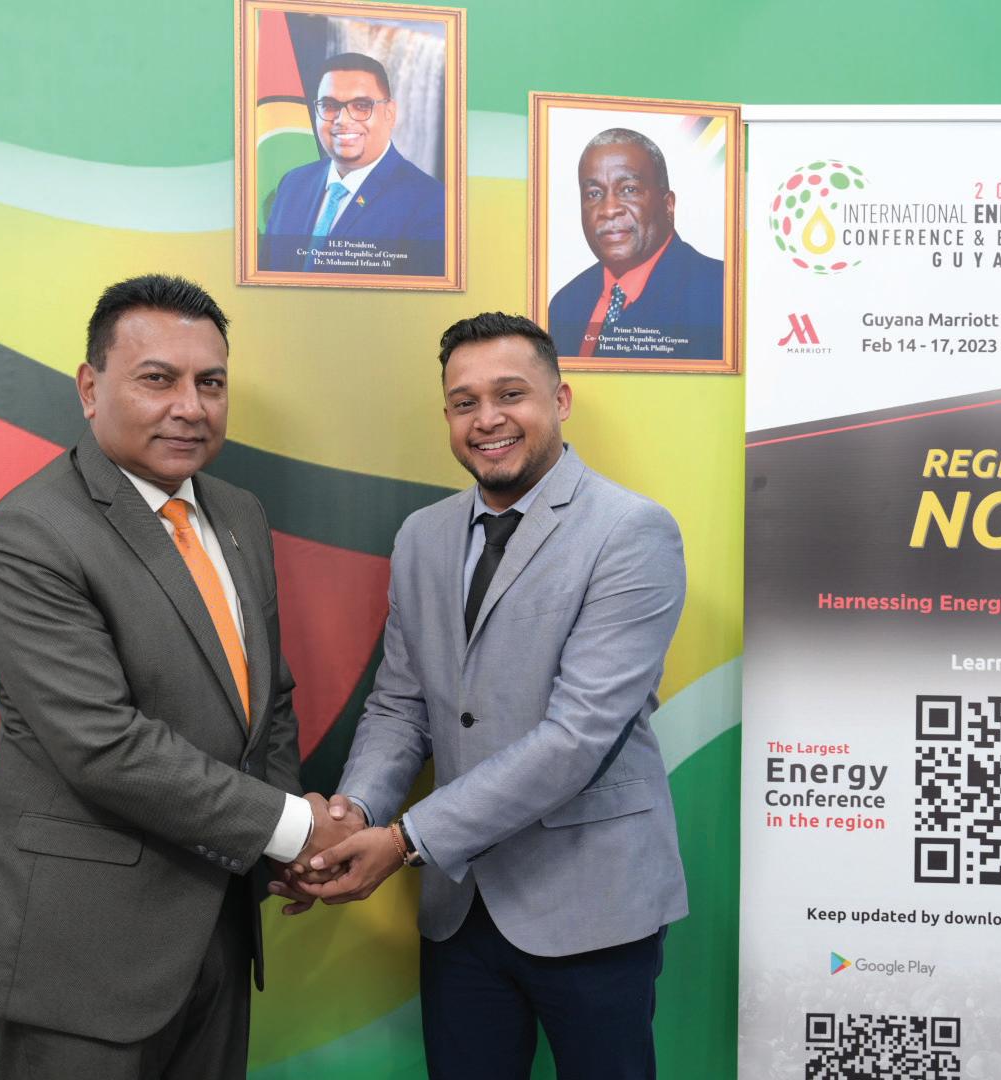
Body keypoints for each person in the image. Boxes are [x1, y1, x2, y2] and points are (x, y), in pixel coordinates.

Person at [0, 274, 356, 1078]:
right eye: (158, 379)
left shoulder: (238, 513)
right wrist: (295, 827)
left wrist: (279, 850)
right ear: (90, 388)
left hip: (218, 931)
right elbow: (103, 746)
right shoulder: (31, 532)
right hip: (83, 952)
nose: (190, 407)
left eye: (211, 383)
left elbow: (267, 701)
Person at [292, 312, 688, 1078]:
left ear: (560, 399)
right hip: (460, 909)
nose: (487, 419)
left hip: (593, 903)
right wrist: (352, 817)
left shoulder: (631, 531)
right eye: (464, 402)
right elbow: (400, 704)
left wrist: (405, 840)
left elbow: (577, 738)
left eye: (511, 394)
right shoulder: (423, 536)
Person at [547, 127, 725, 361]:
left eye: (629, 190)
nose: (609, 209)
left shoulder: (721, 293)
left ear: (668, 205)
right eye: (594, 193)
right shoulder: (565, 304)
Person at [261, 52, 446, 276]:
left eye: (361, 106)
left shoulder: (431, 202)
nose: (343, 120)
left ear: (390, 113)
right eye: (329, 105)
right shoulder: (293, 183)